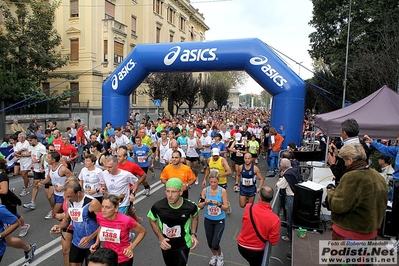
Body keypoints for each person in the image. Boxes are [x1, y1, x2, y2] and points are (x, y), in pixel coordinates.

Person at [327, 143, 388, 241]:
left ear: (350, 160)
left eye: (344, 161)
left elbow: (338, 205)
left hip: (350, 232)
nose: (345, 164)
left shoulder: (352, 177)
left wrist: (330, 193)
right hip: (370, 232)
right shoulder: (378, 176)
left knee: (343, 256)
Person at [147, 178, 199, 266]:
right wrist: (160, 238)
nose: (170, 195)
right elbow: (152, 220)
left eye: (173, 192)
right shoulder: (158, 206)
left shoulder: (190, 206)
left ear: (181, 192)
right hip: (166, 243)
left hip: (183, 244)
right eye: (167, 191)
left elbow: (195, 216)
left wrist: (193, 234)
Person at [51, 179, 102, 266]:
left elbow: (104, 224)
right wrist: (59, 227)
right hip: (77, 242)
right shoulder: (70, 202)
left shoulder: (92, 203)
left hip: (91, 243)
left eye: (70, 196)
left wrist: (90, 237)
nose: (67, 199)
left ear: (78, 193)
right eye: (66, 196)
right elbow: (67, 220)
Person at [90, 194, 146, 266]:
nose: (103, 210)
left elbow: (142, 231)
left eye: (107, 207)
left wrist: (131, 247)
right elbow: (101, 227)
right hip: (107, 258)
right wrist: (97, 243)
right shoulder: (100, 216)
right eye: (102, 206)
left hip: (123, 258)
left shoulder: (126, 220)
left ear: (116, 208)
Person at [0, 159, 36, 264]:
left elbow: (4, 191)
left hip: (7, 204)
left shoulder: (2, 176)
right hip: (4, 205)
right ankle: (28, 248)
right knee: (8, 241)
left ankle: (28, 247)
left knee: (8, 240)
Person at [237, 186, 280, 266]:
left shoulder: (248, 207)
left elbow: (244, 222)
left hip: (242, 246)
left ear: (259, 197)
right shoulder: (275, 219)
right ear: (272, 198)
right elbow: (273, 241)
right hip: (257, 250)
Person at [198, 172, 228, 266]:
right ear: (209, 181)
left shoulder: (222, 191)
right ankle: (215, 255)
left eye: (215, 182)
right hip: (208, 219)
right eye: (211, 182)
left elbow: (226, 207)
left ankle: (220, 255)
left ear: (218, 181)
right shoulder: (205, 191)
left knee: (215, 243)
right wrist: (204, 203)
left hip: (219, 220)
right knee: (210, 243)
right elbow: (199, 205)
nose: (213, 184)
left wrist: (219, 204)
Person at [39, 151, 76, 219]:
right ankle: (66, 227)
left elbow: (74, 179)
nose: (46, 159)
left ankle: (65, 226)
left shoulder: (63, 169)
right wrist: (41, 183)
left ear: (53, 160)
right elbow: (48, 178)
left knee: (54, 214)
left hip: (63, 195)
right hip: (56, 194)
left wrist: (63, 187)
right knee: (61, 214)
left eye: (48, 158)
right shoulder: (50, 167)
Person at [327, 118, 360, 185]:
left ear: (344, 133)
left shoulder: (349, 150)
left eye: (341, 131)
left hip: (347, 186)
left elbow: (341, 175)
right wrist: (338, 155)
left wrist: (332, 164)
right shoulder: (362, 145)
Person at [276, 158, 301, 242]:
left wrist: (280, 178)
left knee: (290, 218)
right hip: (296, 195)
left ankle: (289, 236)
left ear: (282, 167)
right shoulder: (294, 170)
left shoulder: (287, 175)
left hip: (290, 197)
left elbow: (279, 185)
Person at [23, 135, 47, 210]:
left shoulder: (41, 147)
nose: (29, 142)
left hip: (43, 169)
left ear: (35, 140)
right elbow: (33, 155)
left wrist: (39, 161)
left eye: (30, 140)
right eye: (29, 141)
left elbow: (46, 157)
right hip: (36, 169)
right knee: (35, 184)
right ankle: (32, 202)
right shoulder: (31, 147)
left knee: (49, 189)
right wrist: (33, 163)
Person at [14, 132, 32, 197]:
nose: (18, 138)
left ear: (23, 137)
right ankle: (33, 177)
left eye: (19, 137)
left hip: (28, 161)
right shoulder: (18, 144)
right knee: (23, 175)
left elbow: (30, 153)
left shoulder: (27, 143)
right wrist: (21, 151)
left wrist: (23, 155)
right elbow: (15, 153)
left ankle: (25, 189)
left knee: (24, 174)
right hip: (21, 161)